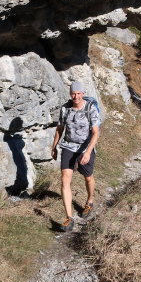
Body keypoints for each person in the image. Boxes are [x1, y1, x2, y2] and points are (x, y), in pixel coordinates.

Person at [51, 80, 100, 230]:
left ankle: (90, 200)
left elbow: (96, 132)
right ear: (70, 94)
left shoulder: (90, 108)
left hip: (85, 148)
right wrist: (54, 147)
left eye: (78, 93)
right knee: (65, 180)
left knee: (88, 177)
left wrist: (88, 151)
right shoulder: (65, 108)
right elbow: (60, 128)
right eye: (73, 93)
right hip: (68, 147)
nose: (76, 96)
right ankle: (69, 218)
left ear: (83, 94)